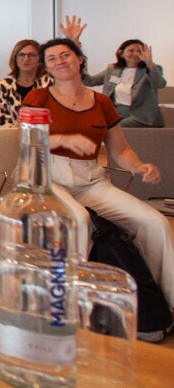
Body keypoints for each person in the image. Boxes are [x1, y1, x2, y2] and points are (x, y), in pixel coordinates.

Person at [22, 38, 173, 307]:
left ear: (79, 59)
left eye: (65, 55)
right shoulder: (39, 97)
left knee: (154, 222)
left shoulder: (102, 101)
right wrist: (63, 141)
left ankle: (161, 303)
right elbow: (27, 141)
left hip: (90, 179)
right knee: (79, 221)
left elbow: (120, 150)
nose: (60, 62)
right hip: (46, 178)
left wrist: (139, 167)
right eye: (52, 59)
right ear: (47, 68)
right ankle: (70, 306)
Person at [83, 38, 167, 128]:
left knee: (113, 129)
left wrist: (149, 63)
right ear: (121, 53)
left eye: (139, 51)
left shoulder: (152, 68)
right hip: (116, 112)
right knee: (89, 125)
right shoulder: (112, 69)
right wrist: (79, 60)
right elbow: (89, 81)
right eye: (131, 50)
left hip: (142, 117)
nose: (135, 54)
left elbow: (161, 84)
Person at [0, 39, 52, 127]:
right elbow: (1, 120)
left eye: (32, 55)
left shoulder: (49, 83)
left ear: (40, 59)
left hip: (45, 135)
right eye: (21, 55)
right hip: (12, 136)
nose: (26, 59)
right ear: (15, 58)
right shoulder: (2, 86)